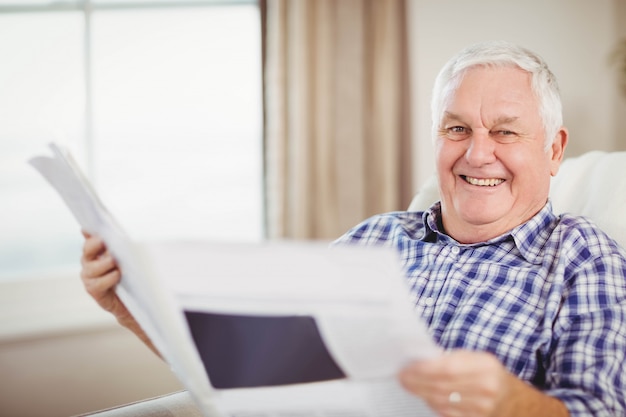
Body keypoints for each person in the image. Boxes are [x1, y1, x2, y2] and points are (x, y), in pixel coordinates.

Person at [80, 40, 626, 417]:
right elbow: (251, 371)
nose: (477, 153)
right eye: (456, 128)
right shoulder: (375, 239)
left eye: (505, 132)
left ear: (554, 150)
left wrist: (511, 404)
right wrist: (129, 307)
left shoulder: (583, 257)